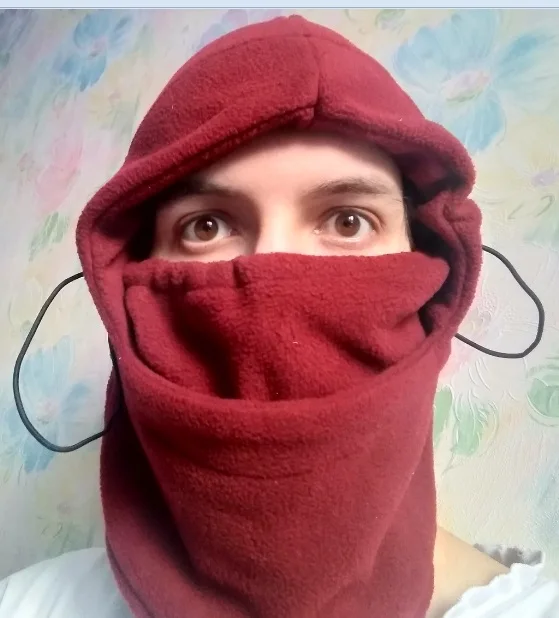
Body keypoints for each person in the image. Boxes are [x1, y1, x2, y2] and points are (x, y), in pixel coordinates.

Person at [1, 14, 557, 618]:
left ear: (436, 282)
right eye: (205, 226)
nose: (273, 276)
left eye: (348, 221)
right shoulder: (26, 603)